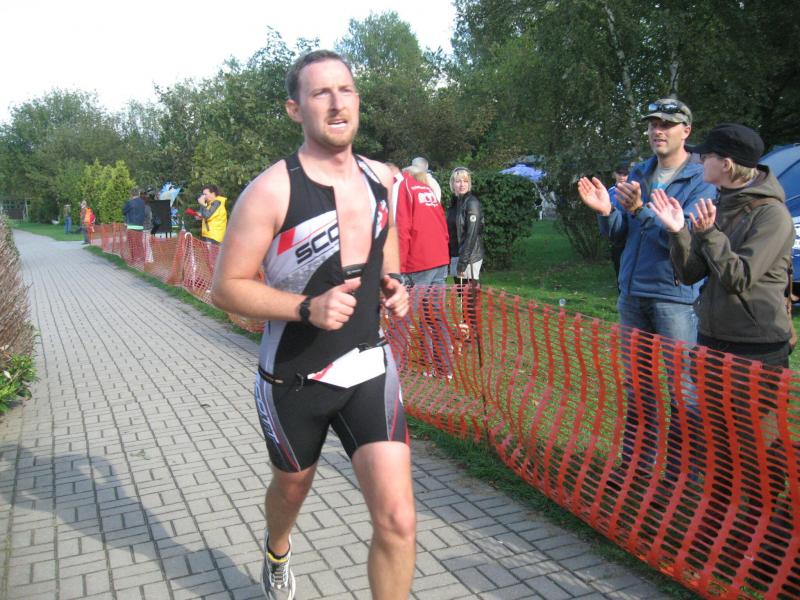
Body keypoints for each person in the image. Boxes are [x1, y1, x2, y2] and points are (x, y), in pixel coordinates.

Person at [210, 50, 414, 600]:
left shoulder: (381, 177)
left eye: (345, 90)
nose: (336, 103)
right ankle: (277, 549)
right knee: (292, 488)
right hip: (295, 377)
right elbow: (225, 288)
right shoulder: (271, 190)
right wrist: (306, 308)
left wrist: (394, 282)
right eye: (320, 93)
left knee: (398, 519)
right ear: (295, 109)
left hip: (368, 367)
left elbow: (386, 237)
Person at [577, 98, 715, 476]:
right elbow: (621, 233)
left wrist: (640, 210)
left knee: (681, 391)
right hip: (633, 294)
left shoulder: (701, 180)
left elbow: (683, 239)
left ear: (686, 130)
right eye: (653, 124)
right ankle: (637, 468)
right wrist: (607, 212)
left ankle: (679, 476)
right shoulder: (641, 171)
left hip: (675, 298)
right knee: (638, 387)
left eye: (666, 124)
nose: (657, 130)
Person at [650, 123, 794, 367]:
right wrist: (677, 231)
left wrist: (709, 233)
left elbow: (737, 278)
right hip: (712, 339)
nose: (699, 161)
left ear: (726, 165)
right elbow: (689, 274)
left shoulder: (772, 215)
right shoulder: (717, 205)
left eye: (706, 156)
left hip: (754, 348)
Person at [395, 163, 451, 376]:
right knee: (436, 315)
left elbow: (402, 229)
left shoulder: (404, 188)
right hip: (439, 259)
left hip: (419, 262)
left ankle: (393, 368)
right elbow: (443, 227)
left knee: (403, 315)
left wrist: (399, 269)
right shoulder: (428, 191)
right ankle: (444, 368)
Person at [607, 162, 629, 280]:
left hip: (630, 235)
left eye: (625, 174)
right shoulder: (610, 192)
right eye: (620, 174)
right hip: (616, 237)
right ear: (614, 174)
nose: (622, 177)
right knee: (619, 269)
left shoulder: (633, 191)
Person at [122, 190, 146, 264]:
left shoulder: (129, 202)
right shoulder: (142, 202)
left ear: (131, 194)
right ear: (138, 194)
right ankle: (142, 259)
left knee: (132, 244)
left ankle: (134, 260)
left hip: (132, 226)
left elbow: (123, 211)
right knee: (139, 243)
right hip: (140, 226)